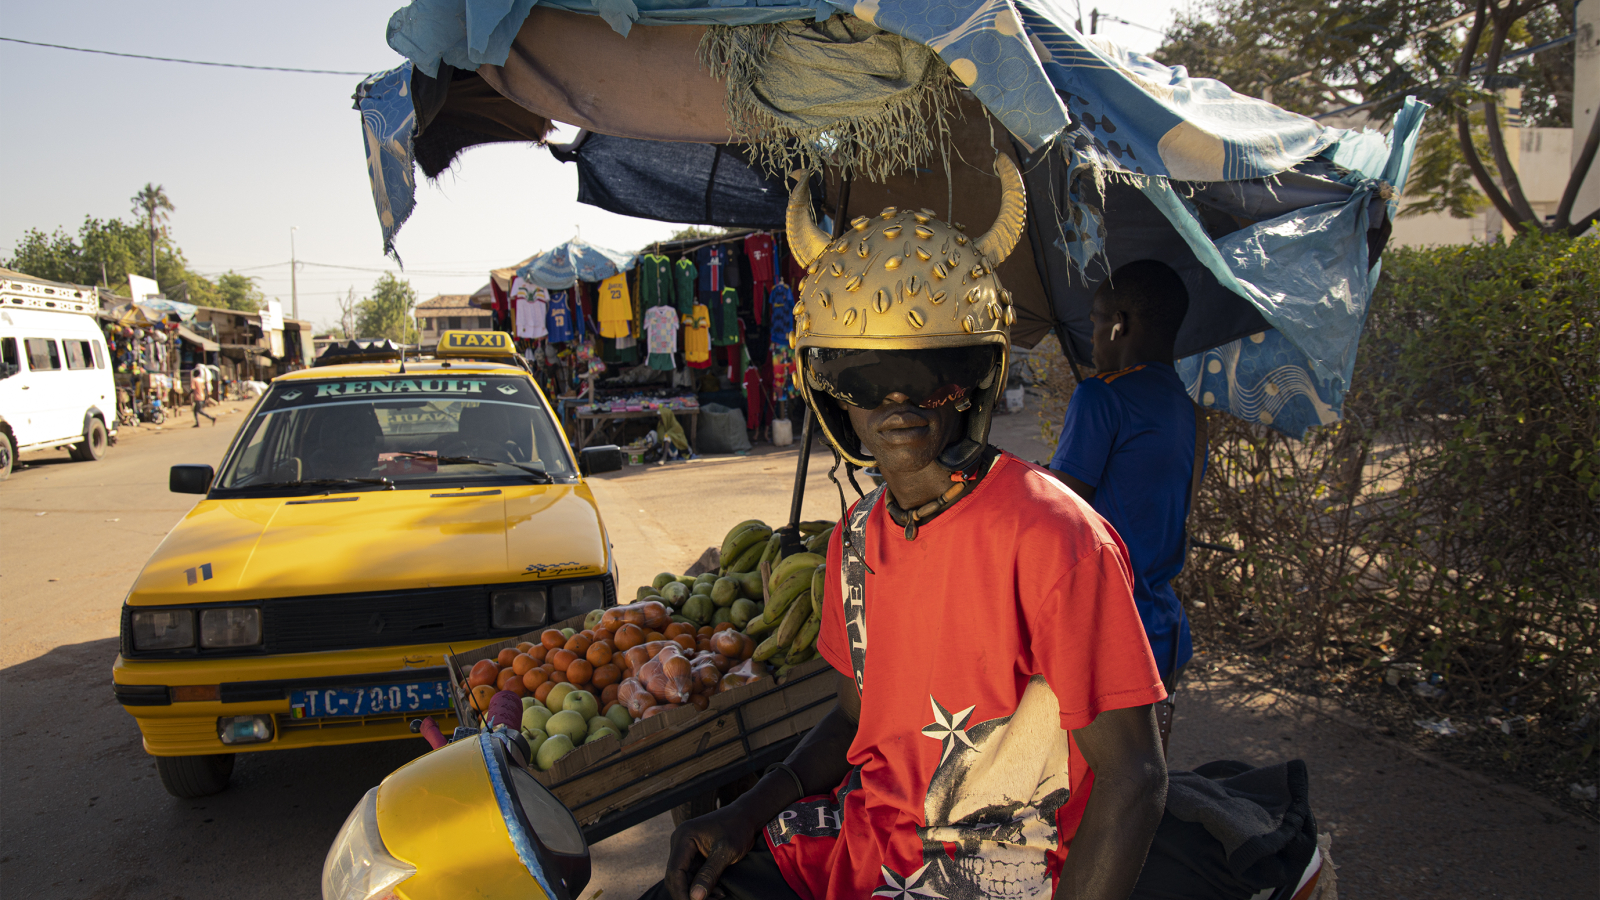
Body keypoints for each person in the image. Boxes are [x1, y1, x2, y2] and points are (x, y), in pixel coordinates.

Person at [639, 158, 1168, 900]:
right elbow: (857, 713)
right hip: (866, 851)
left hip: (992, 873)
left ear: (976, 377)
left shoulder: (1055, 538)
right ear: (832, 392)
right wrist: (749, 810)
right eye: (862, 375)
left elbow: (1134, 776)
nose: (896, 401)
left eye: (928, 373)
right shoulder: (855, 540)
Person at [1048, 260, 1199, 744]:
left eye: (1094, 321)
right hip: (1165, 631)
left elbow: (1058, 514)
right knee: (1145, 781)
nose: (1092, 337)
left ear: (1119, 324)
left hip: (1107, 637)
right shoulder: (1191, 411)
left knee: (1092, 797)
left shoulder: (1101, 397)